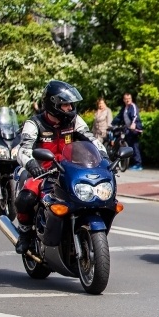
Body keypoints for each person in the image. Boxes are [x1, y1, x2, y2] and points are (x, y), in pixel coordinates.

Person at [14, 81, 108, 254]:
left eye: (71, 104)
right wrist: (33, 165)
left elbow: (91, 140)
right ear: (53, 104)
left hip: (70, 170)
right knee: (25, 198)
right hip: (43, 172)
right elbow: (23, 149)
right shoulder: (34, 123)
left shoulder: (74, 121)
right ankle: (25, 233)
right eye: (65, 104)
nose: (70, 107)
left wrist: (105, 158)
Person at [113, 92, 143, 170]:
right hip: (128, 129)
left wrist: (133, 124)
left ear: (131, 99)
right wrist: (112, 124)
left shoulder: (132, 106)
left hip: (134, 129)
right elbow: (119, 117)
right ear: (123, 100)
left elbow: (135, 116)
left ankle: (138, 164)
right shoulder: (124, 108)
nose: (127, 100)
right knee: (128, 145)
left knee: (134, 145)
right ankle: (131, 163)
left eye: (129, 99)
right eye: (126, 99)